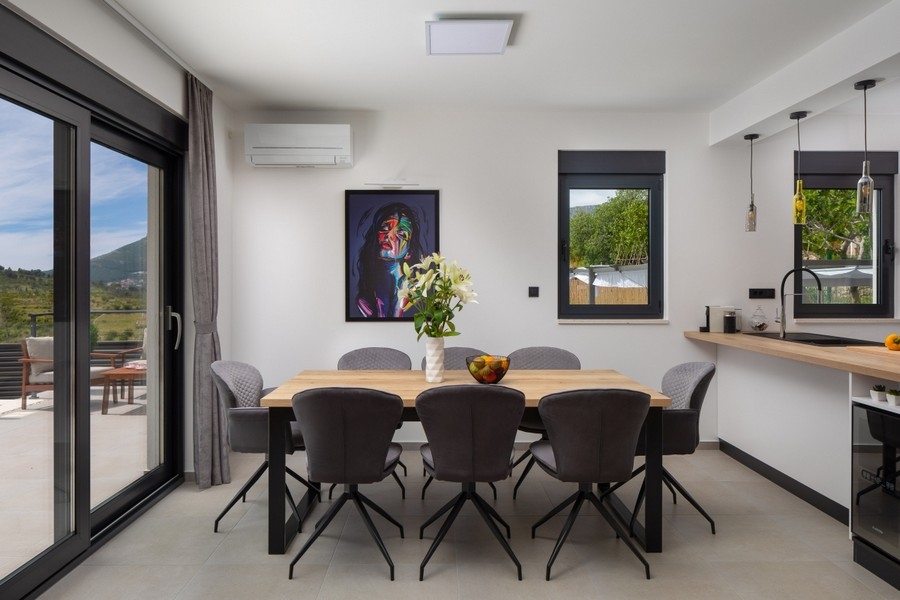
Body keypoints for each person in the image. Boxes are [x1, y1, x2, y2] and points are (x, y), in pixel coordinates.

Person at [354, 202, 425, 318]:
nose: (390, 235)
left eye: (401, 233)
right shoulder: (364, 302)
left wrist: (399, 306)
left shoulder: (416, 293)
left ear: (409, 252)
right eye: (384, 228)